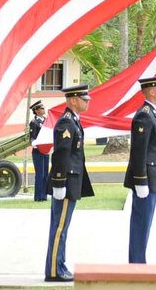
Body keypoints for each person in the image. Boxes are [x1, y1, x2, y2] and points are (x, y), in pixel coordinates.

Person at [44, 84, 94, 283]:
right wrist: (58, 182)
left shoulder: (73, 121)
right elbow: (61, 155)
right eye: (84, 99)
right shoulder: (67, 123)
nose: (87, 102)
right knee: (59, 228)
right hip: (65, 183)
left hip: (71, 182)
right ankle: (55, 270)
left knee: (61, 227)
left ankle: (58, 265)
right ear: (73, 99)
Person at [124, 75, 156, 264]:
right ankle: (137, 263)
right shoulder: (145, 115)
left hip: (153, 177)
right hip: (146, 179)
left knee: (145, 223)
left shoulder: (154, 114)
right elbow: (139, 151)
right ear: (151, 91)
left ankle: (139, 261)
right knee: (141, 223)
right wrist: (140, 179)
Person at [29, 100, 49, 202]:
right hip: (38, 151)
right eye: (41, 108)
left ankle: (44, 195)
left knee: (46, 174)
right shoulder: (34, 122)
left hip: (46, 150)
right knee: (39, 174)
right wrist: (37, 145)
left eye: (43, 108)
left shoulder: (46, 120)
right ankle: (38, 196)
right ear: (36, 111)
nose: (43, 110)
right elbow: (32, 138)